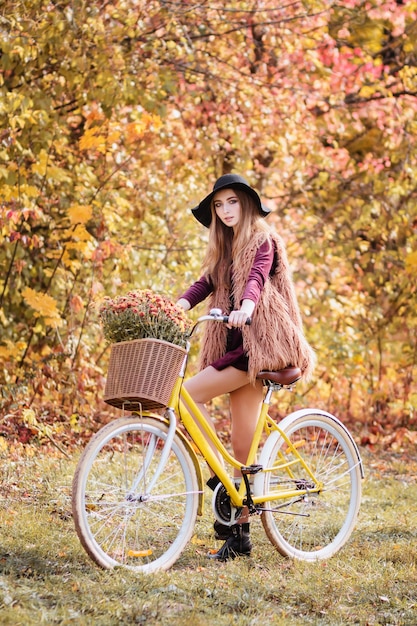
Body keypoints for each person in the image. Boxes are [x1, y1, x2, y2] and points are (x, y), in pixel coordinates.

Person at [176, 173, 316, 561]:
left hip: (261, 350)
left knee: (195, 402)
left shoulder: (263, 240)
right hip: (233, 350)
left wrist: (247, 308)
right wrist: (180, 306)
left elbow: (256, 278)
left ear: (247, 204)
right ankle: (235, 519)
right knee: (235, 449)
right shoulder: (224, 249)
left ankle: (237, 526)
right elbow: (204, 283)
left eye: (231, 202)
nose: (225, 211)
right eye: (219, 206)